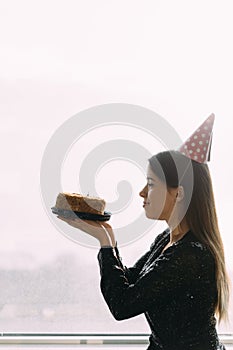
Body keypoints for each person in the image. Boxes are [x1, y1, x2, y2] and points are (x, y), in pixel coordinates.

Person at [57, 114, 229, 350]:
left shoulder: (190, 255)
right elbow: (130, 282)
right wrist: (107, 236)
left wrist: (105, 243)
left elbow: (123, 305)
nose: (141, 193)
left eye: (150, 184)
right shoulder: (166, 241)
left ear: (178, 194)